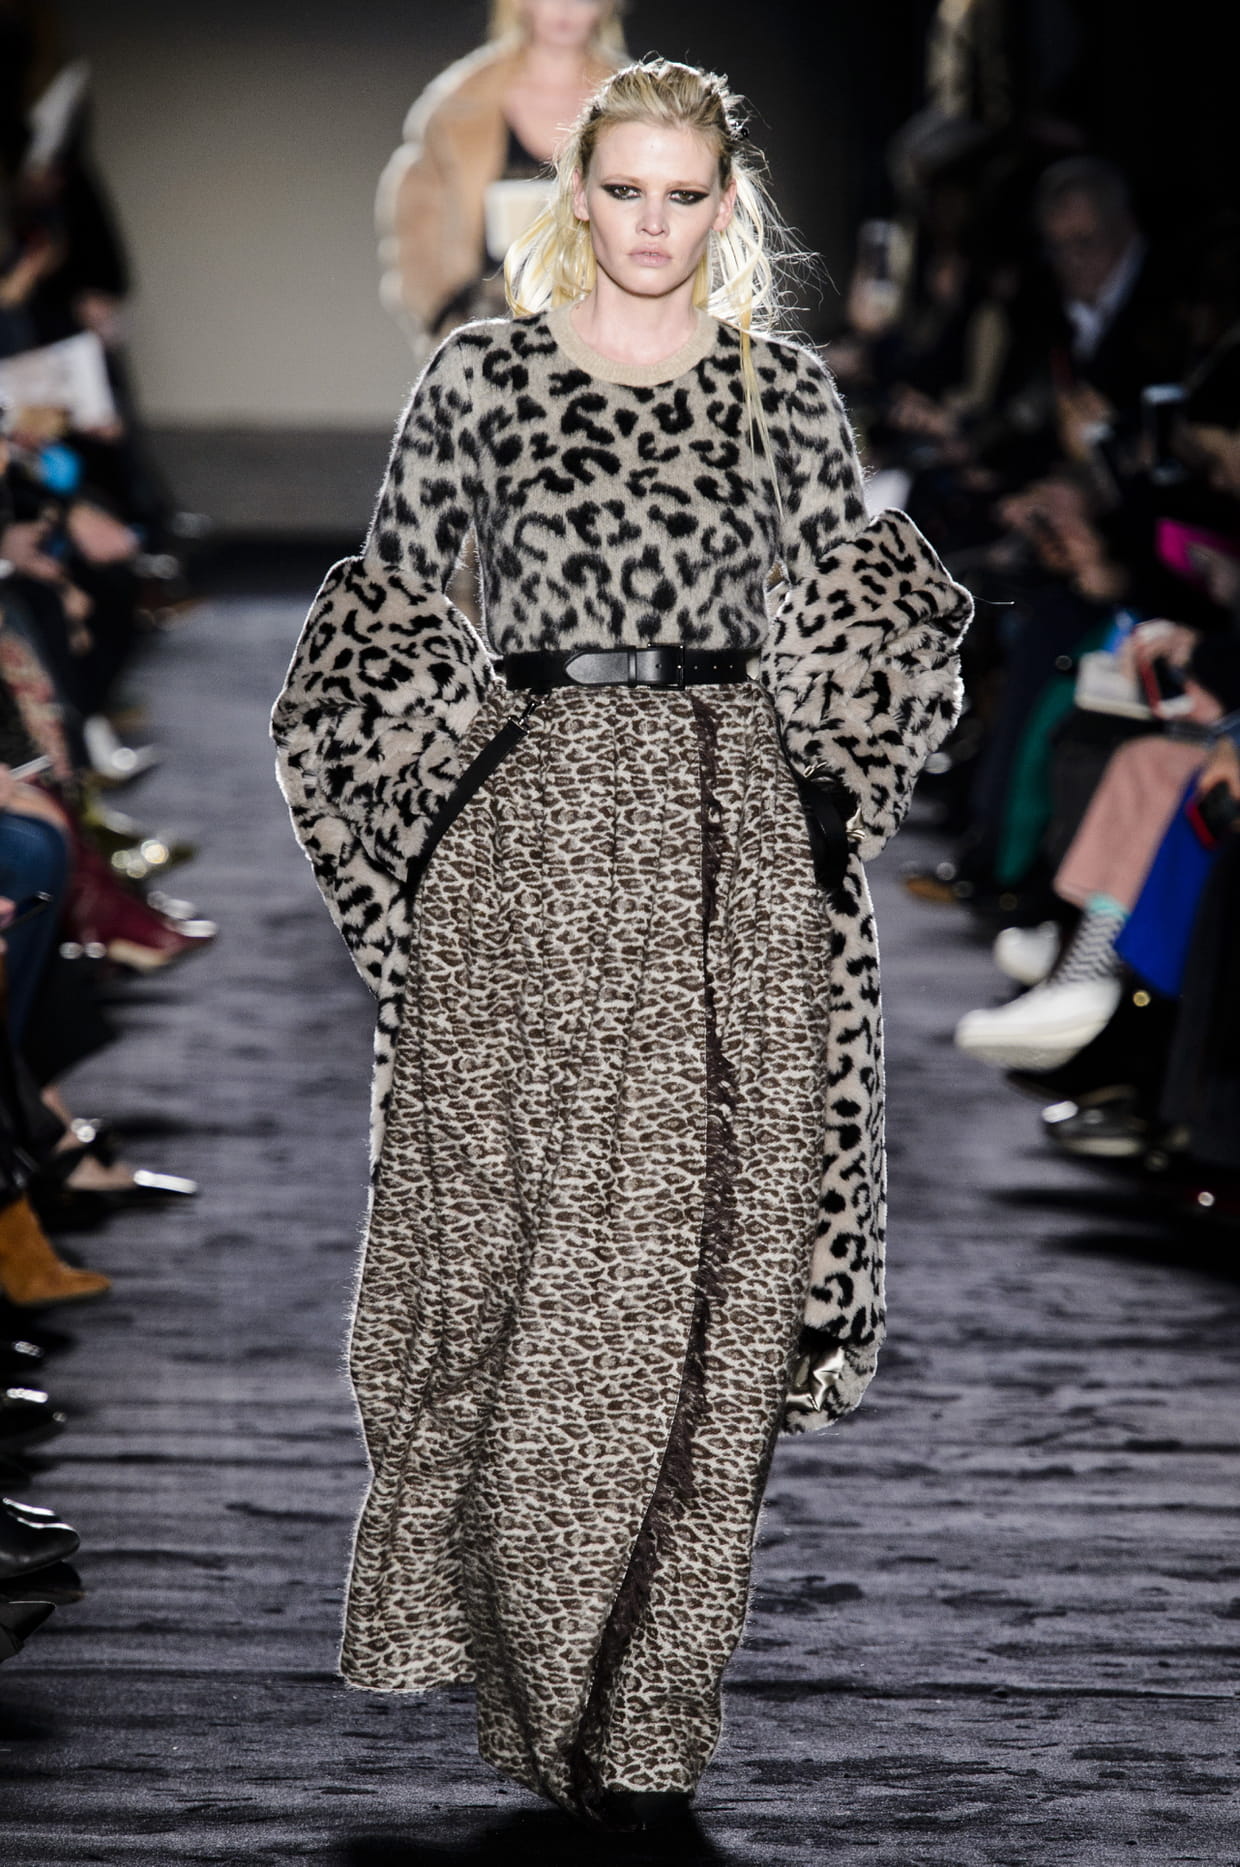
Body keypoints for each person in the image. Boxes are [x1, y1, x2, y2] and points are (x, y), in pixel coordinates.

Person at [274, 57, 972, 1830]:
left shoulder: (785, 396)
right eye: (625, 189)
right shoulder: (481, 381)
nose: (653, 223)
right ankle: (546, 1689)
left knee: (717, 1296)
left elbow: (861, 632)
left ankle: (652, 1718)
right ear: (575, 197)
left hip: (736, 866)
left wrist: (822, 817)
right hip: (529, 857)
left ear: (727, 205)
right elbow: (384, 634)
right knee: (554, 1289)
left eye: (685, 193)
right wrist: (416, 873)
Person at [376, 0, 628, 360]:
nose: (566, 8)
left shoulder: (639, 109)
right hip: (486, 342)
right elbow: (416, 221)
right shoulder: (458, 103)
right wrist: (442, 315)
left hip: (604, 343)